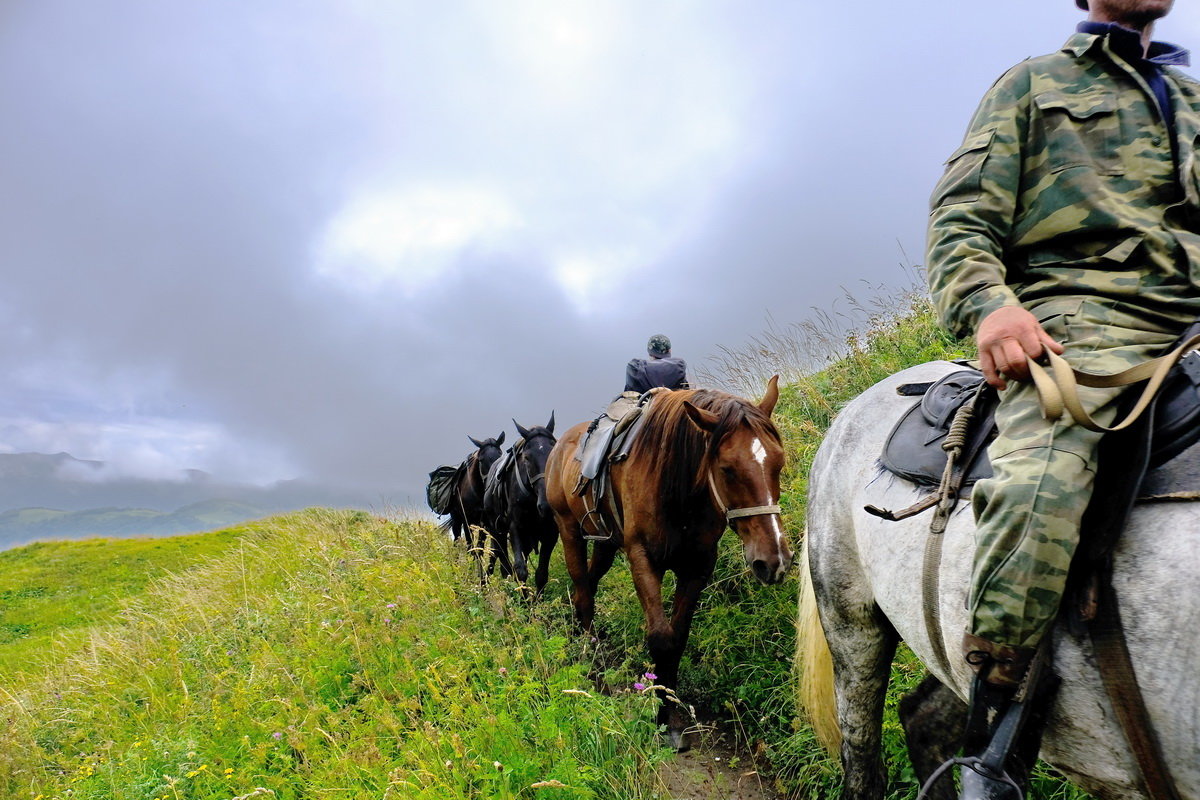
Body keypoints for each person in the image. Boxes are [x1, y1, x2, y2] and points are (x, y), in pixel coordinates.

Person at [926, 0, 1199, 794]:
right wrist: (991, 306)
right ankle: (992, 732)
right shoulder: (1033, 86)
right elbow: (962, 219)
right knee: (1041, 480)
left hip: (1193, 321)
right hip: (1083, 321)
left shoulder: (1191, 102)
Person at [625, 334, 689, 393]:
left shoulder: (635, 367)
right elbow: (685, 391)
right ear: (669, 350)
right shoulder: (679, 366)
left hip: (645, 404)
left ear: (649, 352)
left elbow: (629, 394)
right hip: (673, 404)